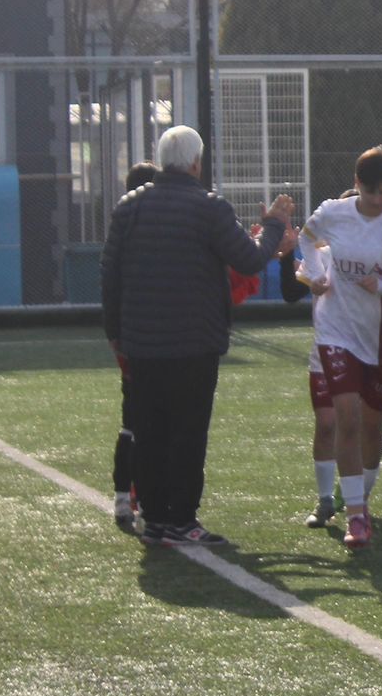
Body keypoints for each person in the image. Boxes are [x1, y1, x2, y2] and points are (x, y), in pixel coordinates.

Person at [100, 126, 295, 546]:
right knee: (188, 433)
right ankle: (183, 518)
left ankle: (154, 520)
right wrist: (274, 226)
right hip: (195, 341)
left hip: (143, 342)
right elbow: (249, 258)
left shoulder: (129, 207)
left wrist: (115, 331)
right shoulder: (210, 208)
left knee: (149, 432)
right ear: (195, 163)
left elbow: (110, 273)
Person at [294, 149, 382, 548]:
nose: (377, 199)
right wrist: (316, 275)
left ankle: (361, 498)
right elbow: (306, 238)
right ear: (357, 183)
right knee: (344, 419)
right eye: (370, 191)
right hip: (337, 331)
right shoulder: (334, 213)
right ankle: (354, 515)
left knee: (373, 426)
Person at [107, 161, 159, 534]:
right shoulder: (141, 231)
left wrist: (114, 333)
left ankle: (124, 498)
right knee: (145, 422)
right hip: (145, 337)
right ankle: (139, 497)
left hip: (128, 336)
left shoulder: (122, 226)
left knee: (133, 420)